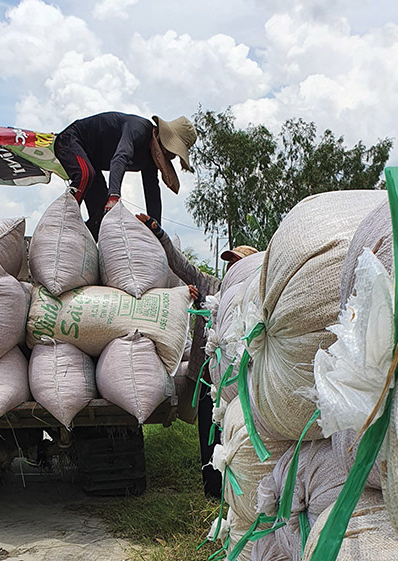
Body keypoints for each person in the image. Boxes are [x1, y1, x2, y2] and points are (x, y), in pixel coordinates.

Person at [136, 212, 258, 499]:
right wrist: (157, 231)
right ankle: (212, 491)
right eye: (229, 263)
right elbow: (179, 264)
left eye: (237, 263)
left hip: (240, 381)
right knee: (209, 434)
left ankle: (239, 491)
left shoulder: (254, 296)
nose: (231, 268)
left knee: (238, 434)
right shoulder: (209, 286)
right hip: (206, 378)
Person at [54, 111, 197, 240]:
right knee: (85, 175)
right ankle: (64, 223)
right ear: (164, 138)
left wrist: (155, 227)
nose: (171, 156)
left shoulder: (151, 159)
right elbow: (120, 158)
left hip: (92, 162)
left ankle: (78, 241)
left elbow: (152, 191)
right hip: (71, 141)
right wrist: (114, 197)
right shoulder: (139, 129)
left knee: (102, 220)